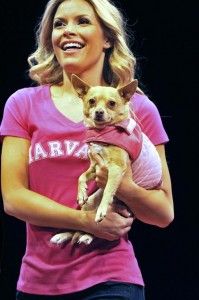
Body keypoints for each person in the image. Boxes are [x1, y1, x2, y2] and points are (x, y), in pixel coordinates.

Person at [0, 0, 174, 299]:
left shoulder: (138, 110)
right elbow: (13, 198)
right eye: (59, 24)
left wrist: (124, 186)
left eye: (82, 21)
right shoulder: (23, 104)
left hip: (111, 278)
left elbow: (163, 213)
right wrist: (85, 221)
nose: (68, 31)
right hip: (37, 283)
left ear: (107, 38)